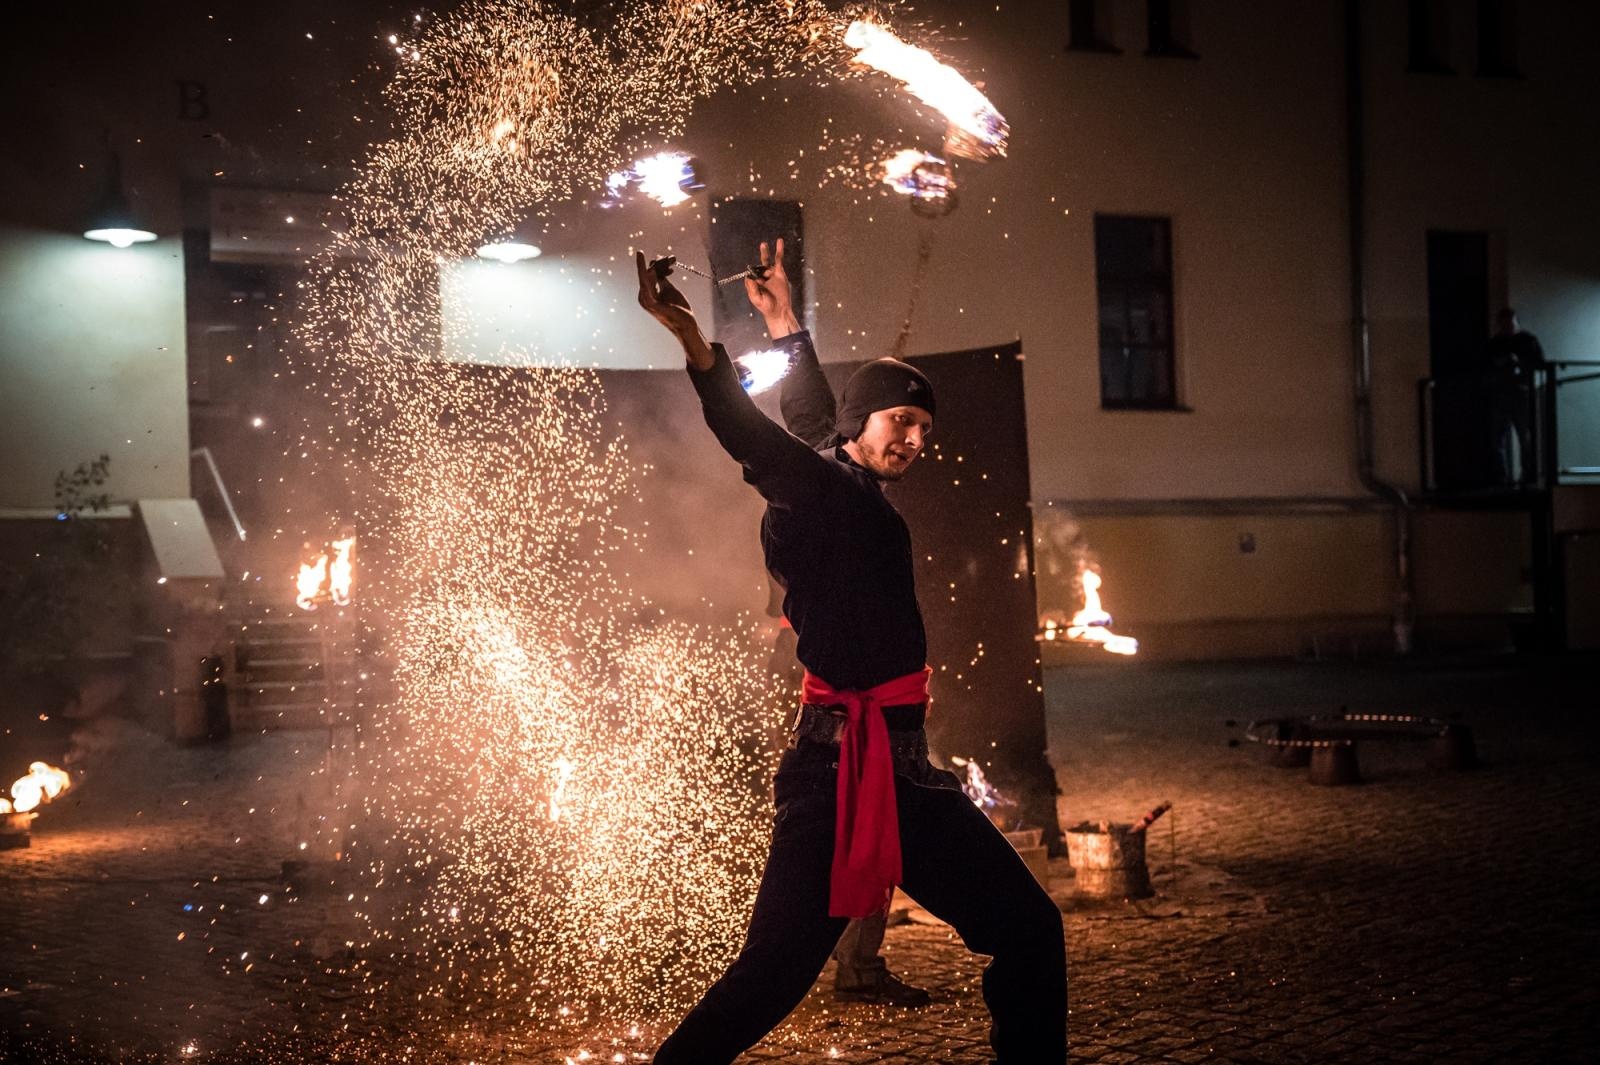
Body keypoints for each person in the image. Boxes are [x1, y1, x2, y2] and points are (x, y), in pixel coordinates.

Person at [636, 240, 1066, 1064]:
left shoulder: (843, 476)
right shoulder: (822, 489)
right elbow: (759, 440)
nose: (912, 439)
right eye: (900, 420)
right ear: (862, 425)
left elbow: (808, 417)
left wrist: (788, 325)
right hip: (838, 779)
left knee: (1029, 930)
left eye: (923, 428)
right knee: (774, 972)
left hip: (903, 775)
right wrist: (696, 346)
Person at [764, 577, 932, 1008]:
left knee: (854, 848)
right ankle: (850, 967)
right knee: (864, 843)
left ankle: (847, 964)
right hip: (836, 737)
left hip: (832, 726)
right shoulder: (816, 565)